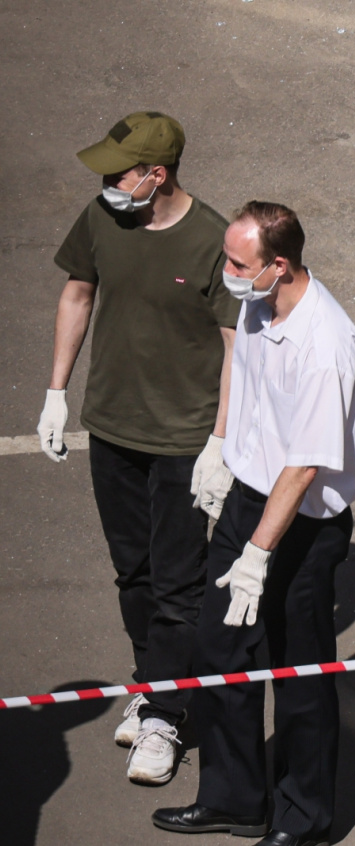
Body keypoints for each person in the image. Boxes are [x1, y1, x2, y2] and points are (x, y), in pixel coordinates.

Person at [153, 202, 355, 846]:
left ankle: (304, 820)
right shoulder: (258, 303)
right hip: (250, 498)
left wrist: (257, 555)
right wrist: (219, 443)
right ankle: (234, 798)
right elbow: (240, 368)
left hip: (302, 523)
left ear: (279, 265)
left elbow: (304, 467)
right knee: (219, 651)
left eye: (236, 262)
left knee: (297, 672)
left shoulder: (326, 346)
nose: (225, 271)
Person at [38, 111, 240, 785]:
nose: (106, 184)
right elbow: (77, 294)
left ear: (158, 175)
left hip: (183, 441)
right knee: (133, 573)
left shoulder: (212, 241)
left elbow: (236, 348)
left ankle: (166, 716)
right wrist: (56, 392)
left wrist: (220, 441)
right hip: (112, 428)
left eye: (118, 174)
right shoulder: (103, 219)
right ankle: (154, 682)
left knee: (179, 584)